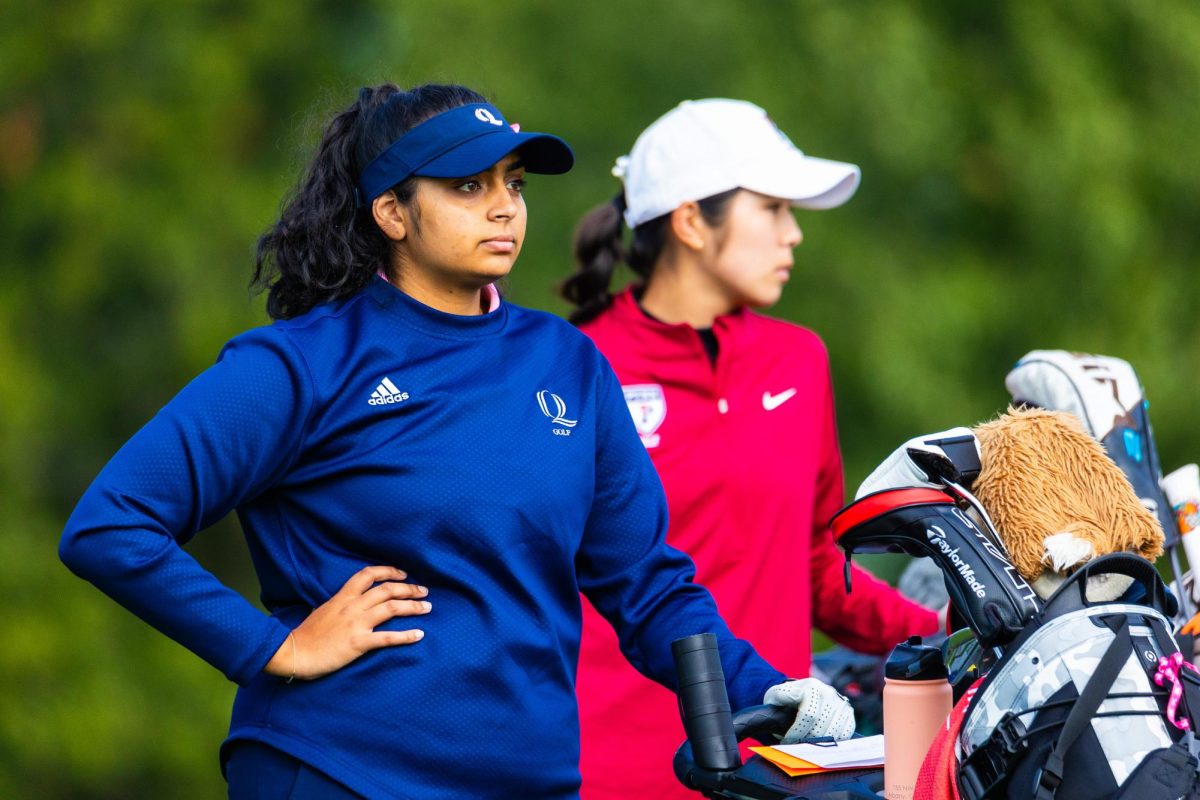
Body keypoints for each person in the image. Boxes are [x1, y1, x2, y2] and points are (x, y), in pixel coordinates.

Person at [59, 84, 852, 800]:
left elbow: (645, 583)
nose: (504, 207)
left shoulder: (567, 363)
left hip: (530, 779)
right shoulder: (301, 364)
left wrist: (767, 689)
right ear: (391, 212)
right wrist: (270, 647)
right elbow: (111, 525)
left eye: (514, 184)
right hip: (340, 771)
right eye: (468, 187)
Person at [562, 98, 942, 799]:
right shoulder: (578, 364)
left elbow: (820, 571)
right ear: (688, 222)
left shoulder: (799, 360)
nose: (793, 234)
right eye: (771, 209)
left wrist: (953, 632)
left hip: (773, 774)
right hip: (608, 773)